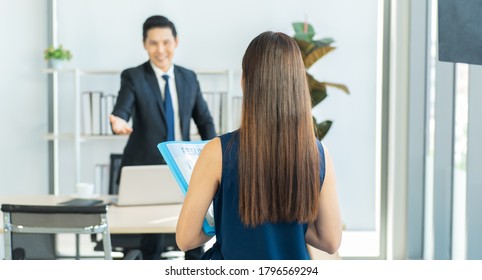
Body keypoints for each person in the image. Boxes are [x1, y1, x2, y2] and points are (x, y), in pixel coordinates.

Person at [175, 31, 342, 259]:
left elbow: (186, 239)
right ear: (298, 85)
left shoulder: (218, 151)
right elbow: (330, 241)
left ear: (245, 82)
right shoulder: (319, 154)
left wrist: (226, 220)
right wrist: (292, 220)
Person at [110, 15, 216, 260]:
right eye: (153, 43)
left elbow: (204, 121)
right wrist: (118, 119)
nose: (160, 50)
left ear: (176, 42)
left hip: (183, 166)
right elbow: (122, 108)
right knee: (152, 239)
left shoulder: (188, 77)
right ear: (144, 44)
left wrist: (216, 152)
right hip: (146, 167)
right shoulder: (133, 76)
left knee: (196, 232)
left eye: (166, 42)